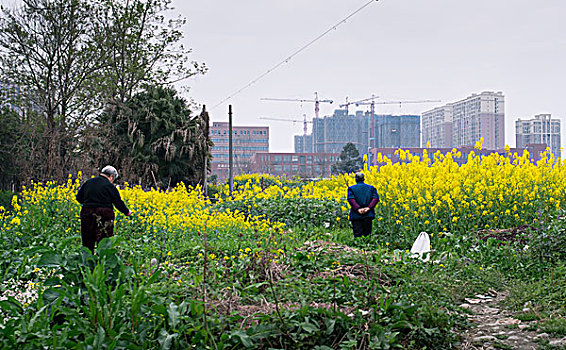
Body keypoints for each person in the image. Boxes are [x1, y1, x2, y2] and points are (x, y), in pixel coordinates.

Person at [76, 165, 131, 253]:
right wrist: (127, 212)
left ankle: (87, 262)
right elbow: (117, 202)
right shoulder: (109, 186)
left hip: (87, 212)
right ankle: (102, 262)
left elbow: (79, 198)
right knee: (104, 241)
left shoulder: (88, 182)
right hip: (104, 214)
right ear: (111, 176)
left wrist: (89, 204)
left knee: (87, 240)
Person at [347, 172, 379, 238]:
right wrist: (368, 208)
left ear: (355, 179)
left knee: (357, 235)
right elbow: (375, 198)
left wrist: (358, 209)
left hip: (356, 215)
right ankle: (367, 247)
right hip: (368, 214)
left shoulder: (351, 188)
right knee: (367, 235)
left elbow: (351, 199)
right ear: (364, 179)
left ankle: (358, 247)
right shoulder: (371, 188)